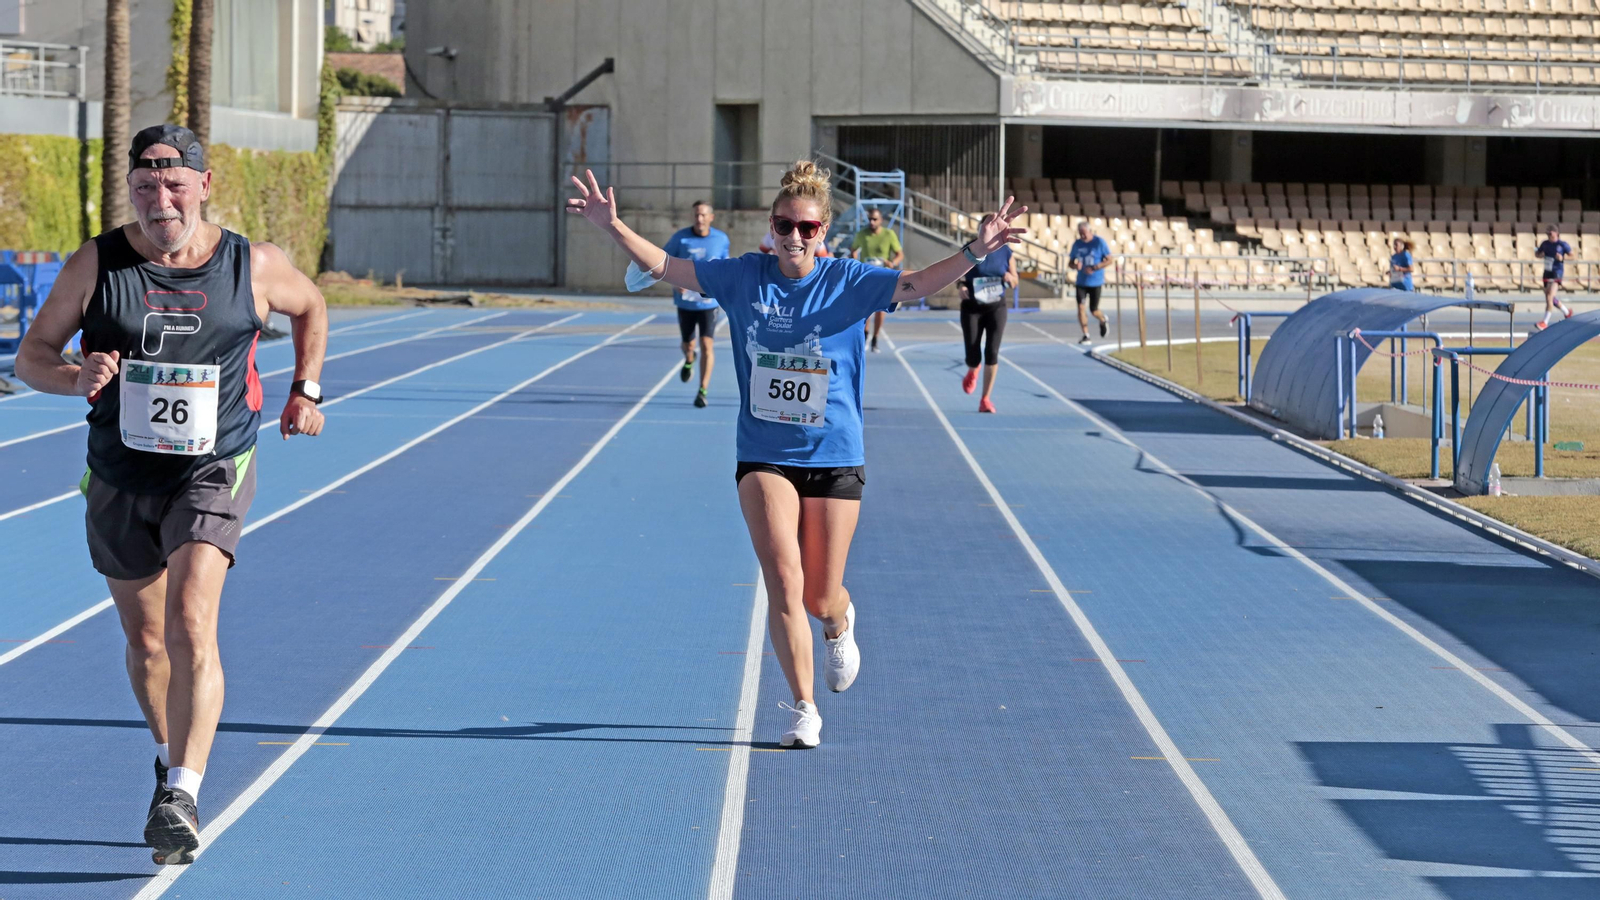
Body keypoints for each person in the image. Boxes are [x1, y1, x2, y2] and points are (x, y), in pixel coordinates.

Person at [567, 161, 1024, 748]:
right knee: (783, 580)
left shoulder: (848, 281)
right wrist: (613, 226)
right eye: (785, 225)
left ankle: (840, 621)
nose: (795, 237)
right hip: (764, 452)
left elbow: (915, 284)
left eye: (807, 228)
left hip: (834, 450)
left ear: (824, 232)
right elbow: (665, 266)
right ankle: (803, 707)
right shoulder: (742, 277)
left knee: (818, 596)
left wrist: (973, 251)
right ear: (772, 226)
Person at [14, 124, 328, 865]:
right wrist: (73, 377)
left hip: (213, 467)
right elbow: (32, 355)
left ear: (204, 185)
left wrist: (305, 390)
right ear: (133, 190)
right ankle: (167, 757)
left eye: (175, 184)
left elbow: (311, 306)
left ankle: (183, 792)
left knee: (191, 620)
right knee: (146, 642)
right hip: (119, 473)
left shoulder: (253, 264)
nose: (161, 199)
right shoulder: (98, 262)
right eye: (146, 186)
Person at [663, 201, 731, 408]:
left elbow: (725, 268)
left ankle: (702, 390)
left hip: (708, 303)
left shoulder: (721, 239)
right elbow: (663, 261)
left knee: (707, 344)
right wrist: (675, 283)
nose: (699, 219)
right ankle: (689, 359)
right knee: (689, 345)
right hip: (686, 303)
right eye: (696, 215)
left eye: (703, 215)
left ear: (711, 217)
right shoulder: (680, 238)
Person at [957, 214, 1017, 413]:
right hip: (972, 307)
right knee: (973, 355)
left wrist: (1009, 277)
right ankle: (973, 368)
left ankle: (985, 399)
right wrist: (961, 286)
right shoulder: (969, 248)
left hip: (996, 307)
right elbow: (958, 275)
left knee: (992, 352)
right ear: (981, 229)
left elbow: (1015, 281)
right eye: (987, 226)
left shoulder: (1006, 252)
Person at [850, 209, 904, 352]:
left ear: (881, 220)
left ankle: (875, 338)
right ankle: (865, 335)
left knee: (881, 309)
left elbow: (900, 254)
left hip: (883, 276)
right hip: (866, 277)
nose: (872, 222)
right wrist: (856, 262)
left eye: (875, 219)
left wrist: (892, 263)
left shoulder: (888, 234)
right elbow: (853, 249)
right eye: (870, 219)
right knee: (866, 308)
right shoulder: (862, 234)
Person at [1067, 220, 1112, 344]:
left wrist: (1096, 267)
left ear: (1090, 231)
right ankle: (1086, 335)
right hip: (1081, 282)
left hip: (1095, 281)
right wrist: (1076, 266)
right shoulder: (1077, 244)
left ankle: (1102, 319)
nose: (1082, 236)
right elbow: (1070, 262)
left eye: (1084, 233)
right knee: (1081, 308)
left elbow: (1109, 260)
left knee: (1093, 310)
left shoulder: (1099, 242)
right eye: (1080, 234)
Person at [1535, 225, 1575, 330]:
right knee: (1550, 298)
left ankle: (1545, 322)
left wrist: (1562, 258)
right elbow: (1537, 254)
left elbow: (1573, 256)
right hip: (1547, 272)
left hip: (1557, 272)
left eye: (1550, 233)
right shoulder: (1545, 244)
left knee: (1549, 297)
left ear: (1556, 233)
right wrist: (1540, 255)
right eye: (1547, 234)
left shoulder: (1562, 245)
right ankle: (1567, 312)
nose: (1548, 235)